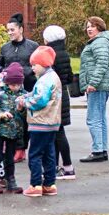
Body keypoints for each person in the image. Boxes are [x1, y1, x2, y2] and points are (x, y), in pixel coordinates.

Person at [18, 45, 63, 197]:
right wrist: (27, 95)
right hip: (52, 123)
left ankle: (35, 184)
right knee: (49, 154)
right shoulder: (53, 77)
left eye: (34, 65)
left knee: (35, 154)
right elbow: (38, 94)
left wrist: (24, 102)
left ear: (43, 64)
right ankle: (49, 184)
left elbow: (40, 100)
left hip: (40, 123)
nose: (32, 69)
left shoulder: (44, 80)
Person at [0, 13, 39, 162]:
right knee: (13, 119)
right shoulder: (5, 48)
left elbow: (36, 65)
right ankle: (16, 149)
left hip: (29, 87)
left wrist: (23, 72)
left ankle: (24, 148)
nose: (9, 33)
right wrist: (2, 72)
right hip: (10, 90)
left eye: (12, 30)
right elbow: (0, 64)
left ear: (20, 29)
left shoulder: (32, 46)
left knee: (27, 120)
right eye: (8, 30)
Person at [0, 62, 27, 194]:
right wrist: (0, 115)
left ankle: (11, 180)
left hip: (14, 131)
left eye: (18, 84)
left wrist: (21, 109)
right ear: (7, 82)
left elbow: (26, 114)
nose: (15, 87)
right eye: (12, 84)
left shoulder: (23, 94)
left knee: (10, 157)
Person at [78, 17, 109, 163]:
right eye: (87, 26)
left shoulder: (100, 42)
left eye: (92, 26)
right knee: (100, 118)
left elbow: (102, 62)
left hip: (98, 86)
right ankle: (102, 149)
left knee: (93, 119)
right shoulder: (99, 41)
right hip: (100, 85)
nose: (89, 29)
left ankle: (97, 150)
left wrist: (93, 82)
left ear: (99, 27)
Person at [43, 25, 78, 179]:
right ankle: (56, 166)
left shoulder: (50, 55)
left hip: (55, 96)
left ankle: (68, 166)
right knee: (57, 131)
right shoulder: (64, 53)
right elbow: (69, 76)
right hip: (63, 93)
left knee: (58, 133)